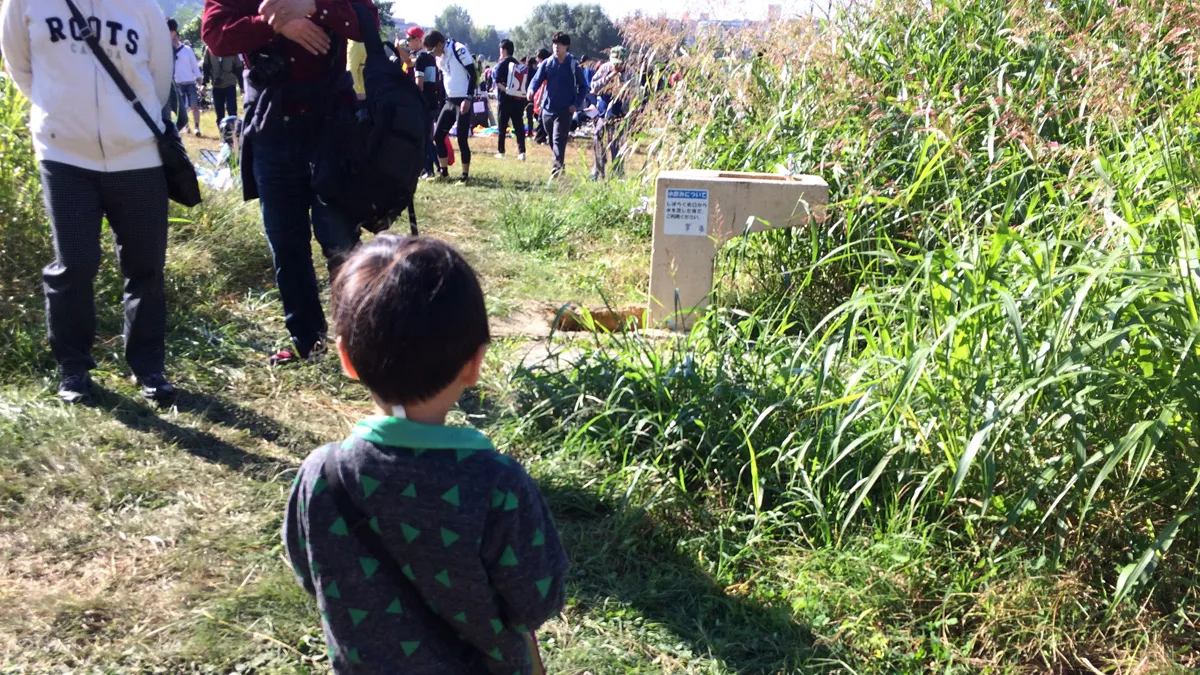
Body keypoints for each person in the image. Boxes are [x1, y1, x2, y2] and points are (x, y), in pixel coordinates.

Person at [283, 235, 568, 673]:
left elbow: (310, 575)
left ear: (347, 360)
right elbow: (536, 602)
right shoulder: (497, 484)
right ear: (474, 363)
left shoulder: (321, 474)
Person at [1, 0, 178, 404]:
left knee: (146, 265)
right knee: (74, 264)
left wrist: (127, 126)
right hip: (65, 156)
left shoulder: (143, 7)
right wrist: (61, 117)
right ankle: (74, 367)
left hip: (137, 155)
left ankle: (148, 364)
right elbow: (20, 67)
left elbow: (159, 78)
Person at [203, 0, 380, 366]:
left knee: (341, 240)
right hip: (271, 129)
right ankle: (307, 344)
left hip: (332, 126)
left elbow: (367, 23)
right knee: (286, 245)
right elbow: (216, 36)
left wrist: (314, 6)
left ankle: (361, 343)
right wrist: (276, 25)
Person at [527, 33, 589, 179]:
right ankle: (560, 164)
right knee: (552, 140)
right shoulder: (547, 63)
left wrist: (576, 104)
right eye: (554, 43)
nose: (556, 46)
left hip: (565, 110)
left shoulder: (573, 64)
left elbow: (584, 87)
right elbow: (536, 80)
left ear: (566, 46)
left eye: (559, 44)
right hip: (547, 109)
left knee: (558, 139)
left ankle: (556, 171)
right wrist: (531, 90)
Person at [423, 30, 476, 183]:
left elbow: (473, 74)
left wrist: (468, 98)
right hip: (449, 101)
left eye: (433, 50)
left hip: (463, 100)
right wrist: (440, 105)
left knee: (461, 138)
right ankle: (444, 173)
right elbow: (444, 80)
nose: (433, 54)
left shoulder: (458, 49)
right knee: (438, 135)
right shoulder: (440, 58)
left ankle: (465, 176)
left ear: (440, 44)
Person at [397, 26, 440, 178]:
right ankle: (437, 167)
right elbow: (408, 61)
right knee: (426, 137)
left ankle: (429, 170)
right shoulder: (426, 56)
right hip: (432, 101)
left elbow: (419, 84)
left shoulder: (421, 58)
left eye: (409, 39)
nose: (407, 43)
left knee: (422, 138)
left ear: (418, 40)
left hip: (424, 102)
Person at [590, 46, 631, 180]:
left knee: (616, 143)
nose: (617, 65)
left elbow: (634, 93)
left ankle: (617, 173)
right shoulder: (604, 68)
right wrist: (609, 77)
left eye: (620, 62)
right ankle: (597, 170)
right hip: (603, 111)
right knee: (597, 137)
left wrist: (626, 108)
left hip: (619, 114)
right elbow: (594, 87)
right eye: (615, 62)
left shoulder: (630, 73)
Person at [493, 39, 527, 161]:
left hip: (505, 100)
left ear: (504, 50)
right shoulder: (519, 65)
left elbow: (497, 81)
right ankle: (522, 152)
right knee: (519, 126)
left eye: (500, 50)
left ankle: (501, 151)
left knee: (502, 126)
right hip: (518, 100)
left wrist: (506, 90)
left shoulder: (502, 64)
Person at [169, 19, 203, 136]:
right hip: (178, 82)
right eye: (171, 38)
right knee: (182, 108)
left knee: (194, 105)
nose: (173, 40)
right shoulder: (169, 50)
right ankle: (186, 127)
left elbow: (194, 64)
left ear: (178, 37)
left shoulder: (187, 50)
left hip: (190, 81)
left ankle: (197, 127)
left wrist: (199, 79)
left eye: (175, 38)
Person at [203, 47, 243, 125]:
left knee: (232, 111)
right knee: (219, 113)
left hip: (230, 84)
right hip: (216, 85)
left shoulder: (231, 48)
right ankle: (223, 134)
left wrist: (242, 85)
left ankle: (233, 133)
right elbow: (206, 67)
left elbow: (238, 68)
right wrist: (203, 84)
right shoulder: (209, 49)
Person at [531, 48, 550, 145]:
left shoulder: (546, 66)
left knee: (542, 117)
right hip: (544, 95)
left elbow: (544, 84)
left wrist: (539, 98)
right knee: (541, 117)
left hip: (547, 95)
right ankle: (540, 137)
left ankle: (540, 137)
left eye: (538, 59)